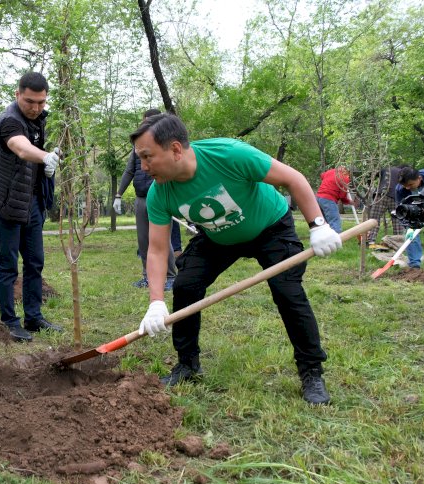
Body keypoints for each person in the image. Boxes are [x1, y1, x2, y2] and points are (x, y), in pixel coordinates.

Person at [133, 113, 342, 405]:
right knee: (186, 286)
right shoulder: (159, 192)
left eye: (147, 157)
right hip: (218, 236)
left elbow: (293, 179)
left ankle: (312, 372)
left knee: (287, 292)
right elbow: (156, 250)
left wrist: (318, 226)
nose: (142, 167)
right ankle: (188, 364)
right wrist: (156, 302)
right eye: (140, 158)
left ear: (176, 149)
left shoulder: (229, 154)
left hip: (269, 227)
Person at [0, 72, 64, 342]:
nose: (36, 108)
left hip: (31, 203)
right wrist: (45, 157)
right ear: (18, 94)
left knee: (35, 262)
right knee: (8, 265)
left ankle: (33, 317)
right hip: (6, 204)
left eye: (42, 102)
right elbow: (21, 148)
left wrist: (50, 160)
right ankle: (9, 321)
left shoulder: (40, 120)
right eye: (30, 101)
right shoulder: (9, 120)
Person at [113, 109, 178, 291]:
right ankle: (147, 277)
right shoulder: (138, 148)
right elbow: (129, 171)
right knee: (143, 241)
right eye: (145, 122)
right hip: (141, 198)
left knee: (163, 240)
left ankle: (170, 277)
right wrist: (118, 194)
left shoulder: (162, 146)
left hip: (160, 197)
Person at [395, 165, 424, 269]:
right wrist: (408, 226)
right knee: (411, 236)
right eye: (405, 185)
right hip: (416, 211)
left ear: (419, 178)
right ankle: (415, 266)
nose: (407, 187)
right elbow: (401, 210)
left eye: (410, 184)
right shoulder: (400, 189)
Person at [367, 166, 404, 245]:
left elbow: (372, 175)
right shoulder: (403, 172)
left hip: (381, 195)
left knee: (374, 218)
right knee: (397, 220)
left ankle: (370, 241)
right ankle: (398, 243)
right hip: (395, 196)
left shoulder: (386, 168)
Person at [315, 167, 354, 233]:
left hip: (318, 198)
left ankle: (324, 239)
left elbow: (322, 175)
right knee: (334, 222)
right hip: (329, 200)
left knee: (323, 222)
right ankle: (336, 240)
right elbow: (342, 196)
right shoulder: (345, 179)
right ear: (348, 173)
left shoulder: (332, 171)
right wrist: (349, 202)